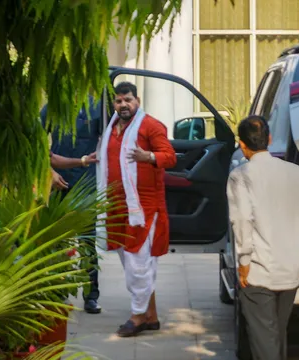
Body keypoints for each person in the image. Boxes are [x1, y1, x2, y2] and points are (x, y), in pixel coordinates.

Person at [227, 115, 299, 360]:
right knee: (276, 336)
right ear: (269, 139)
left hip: (258, 271)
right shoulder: (297, 173)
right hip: (290, 272)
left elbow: (242, 222)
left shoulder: (240, 176)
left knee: (266, 341)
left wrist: (243, 263)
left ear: (242, 144)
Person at [95, 82, 177, 337]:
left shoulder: (150, 125)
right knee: (131, 262)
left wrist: (149, 157)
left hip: (142, 207)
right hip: (116, 205)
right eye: (118, 101)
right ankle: (151, 316)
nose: (123, 105)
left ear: (137, 101)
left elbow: (170, 157)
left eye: (127, 100)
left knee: (138, 264)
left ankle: (138, 317)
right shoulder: (113, 128)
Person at [41, 96, 103, 314]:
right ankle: (57, 293)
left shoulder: (96, 107)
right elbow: (37, 143)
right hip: (58, 184)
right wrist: (50, 173)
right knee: (56, 241)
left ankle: (91, 295)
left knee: (87, 241)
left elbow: (111, 139)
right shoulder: (53, 108)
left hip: (85, 185)